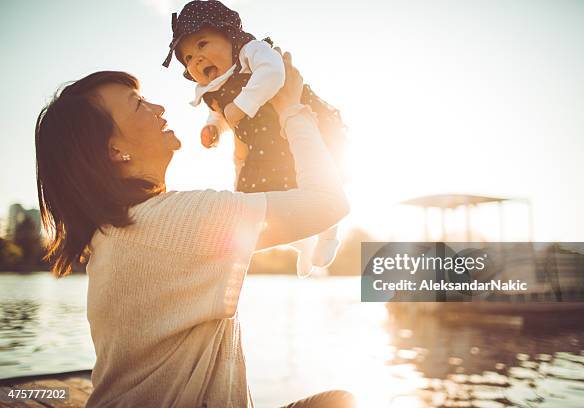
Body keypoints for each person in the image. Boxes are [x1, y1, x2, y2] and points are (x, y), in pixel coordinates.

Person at [35, 50, 354, 407]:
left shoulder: (127, 230)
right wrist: (291, 108)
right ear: (115, 149)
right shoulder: (174, 220)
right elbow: (329, 203)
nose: (159, 108)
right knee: (341, 402)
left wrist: (242, 154)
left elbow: (242, 229)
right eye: (139, 105)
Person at [162, 0, 347, 278]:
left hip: (299, 121)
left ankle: (328, 234)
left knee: (322, 174)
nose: (196, 59)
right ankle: (302, 241)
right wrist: (214, 127)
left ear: (228, 34)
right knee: (260, 200)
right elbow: (221, 114)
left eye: (202, 44)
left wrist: (241, 106)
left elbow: (274, 73)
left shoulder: (251, 51)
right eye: (187, 57)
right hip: (266, 144)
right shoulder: (213, 86)